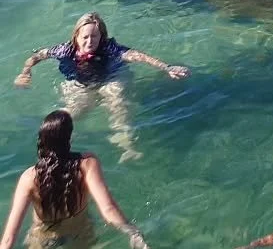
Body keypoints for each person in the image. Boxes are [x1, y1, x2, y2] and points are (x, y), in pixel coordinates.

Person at [0, 111, 149, 249]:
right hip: (79, 234)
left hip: (43, 237)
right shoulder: (87, 164)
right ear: (69, 138)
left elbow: (9, 237)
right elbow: (108, 209)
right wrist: (133, 233)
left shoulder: (29, 178)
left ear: (42, 140)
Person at [13, 11, 189, 162]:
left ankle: (127, 145)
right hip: (80, 83)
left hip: (110, 79)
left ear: (101, 36)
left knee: (117, 101)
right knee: (72, 112)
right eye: (85, 37)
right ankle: (54, 144)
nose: (90, 41)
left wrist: (166, 67)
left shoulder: (109, 48)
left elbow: (138, 56)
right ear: (76, 37)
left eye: (94, 36)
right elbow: (37, 56)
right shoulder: (65, 50)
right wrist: (25, 72)